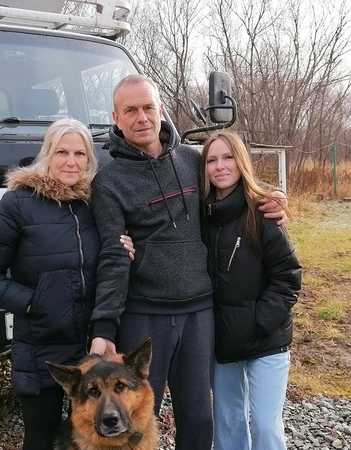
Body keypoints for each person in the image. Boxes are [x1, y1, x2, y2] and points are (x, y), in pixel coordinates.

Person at [87, 74, 287, 450]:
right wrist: (104, 327)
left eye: (148, 107)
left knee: (198, 418)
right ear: (116, 118)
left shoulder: (193, 161)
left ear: (161, 110)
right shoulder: (109, 183)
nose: (142, 117)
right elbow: (114, 256)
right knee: (137, 418)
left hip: (199, 313)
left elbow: (233, 193)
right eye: (131, 110)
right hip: (144, 315)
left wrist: (272, 196)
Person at [0, 118, 134, 450]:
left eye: (80, 153)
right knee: (42, 440)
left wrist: (126, 249)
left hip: (92, 346)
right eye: (62, 152)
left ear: (89, 160)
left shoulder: (96, 203)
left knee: (95, 439)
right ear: (47, 154)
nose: (71, 161)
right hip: (42, 347)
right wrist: (35, 303)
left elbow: (111, 258)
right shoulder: (17, 204)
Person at [201, 131, 302, 450]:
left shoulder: (263, 213)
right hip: (222, 341)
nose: (220, 166)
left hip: (266, 339)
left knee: (265, 426)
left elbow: (288, 276)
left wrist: (260, 321)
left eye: (228, 157)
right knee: (227, 423)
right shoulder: (201, 217)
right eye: (212, 160)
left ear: (241, 161)